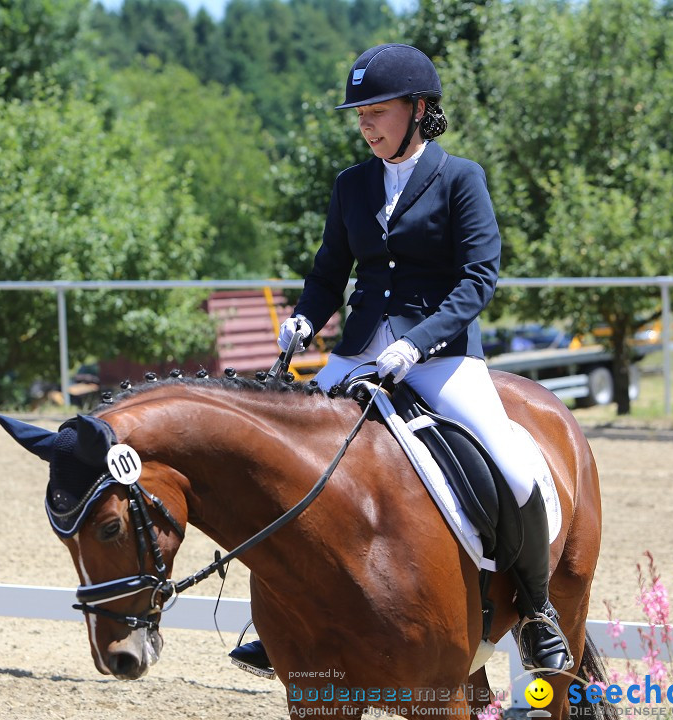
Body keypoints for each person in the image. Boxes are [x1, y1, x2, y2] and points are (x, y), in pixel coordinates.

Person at [229, 43, 572, 677]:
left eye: (377, 111)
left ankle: (538, 610)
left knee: (514, 467)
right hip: (359, 353)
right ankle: (279, 611)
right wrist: (307, 318)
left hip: (439, 357)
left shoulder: (460, 177)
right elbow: (330, 271)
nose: (365, 124)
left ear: (419, 110)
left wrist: (419, 342)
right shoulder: (350, 185)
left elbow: (477, 278)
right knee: (287, 462)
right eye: (359, 113)